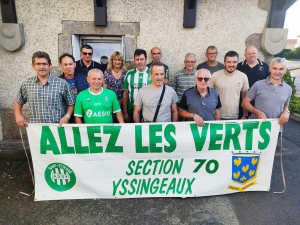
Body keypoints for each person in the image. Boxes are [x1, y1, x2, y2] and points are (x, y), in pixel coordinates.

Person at [14, 51, 74, 126]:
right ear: (33, 66)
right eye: (38, 64)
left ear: (50, 65)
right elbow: (18, 101)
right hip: (37, 128)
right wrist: (18, 115)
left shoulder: (62, 83)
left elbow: (71, 103)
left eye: (44, 64)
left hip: (58, 127)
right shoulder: (27, 84)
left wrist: (67, 117)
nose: (42, 67)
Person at [241, 57, 292, 125]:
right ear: (270, 69)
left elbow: (285, 106)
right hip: (256, 127)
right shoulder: (258, 84)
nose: (277, 72)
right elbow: (244, 103)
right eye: (275, 68)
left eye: (281, 69)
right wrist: (257, 112)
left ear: (285, 70)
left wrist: (286, 112)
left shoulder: (288, 89)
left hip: (275, 128)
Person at [210, 51, 249, 120]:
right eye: (229, 62)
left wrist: (245, 115)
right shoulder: (215, 76)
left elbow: (245, 97)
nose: (231, 64)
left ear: (237, 62)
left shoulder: (243, 76)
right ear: (224, 62)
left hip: (235, 117)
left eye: (234, 62)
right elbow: (208, 95)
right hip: (217, 116)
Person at [237, 46, 270, 118]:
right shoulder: (239, 66)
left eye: (254, 53)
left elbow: (269, 83)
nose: (252, 55)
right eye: (249, 54)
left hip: (259, 100)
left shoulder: (265, 67)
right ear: (244, 55)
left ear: (258, 54)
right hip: (242, 100)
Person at [122, 49, 151, 123]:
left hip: (148, 111)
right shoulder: (129, 73)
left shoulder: (152, 73)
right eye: (137, 59)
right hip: (131, 110)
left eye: (142, 59)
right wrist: (125, 112)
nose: (139, 62)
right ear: (134, 60)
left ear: (146, 60)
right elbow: (125, 93)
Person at [103, 51, 127, 123]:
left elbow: (127, 90)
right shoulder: (107, 73)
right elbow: (104, 90)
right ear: (112, 61)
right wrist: (112, 103)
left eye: (119, 60)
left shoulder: (126, 73)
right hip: (110, 104)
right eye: (115, 59)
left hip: (123, 103)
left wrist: (121, 102)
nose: (117, 62)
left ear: (122, 61)